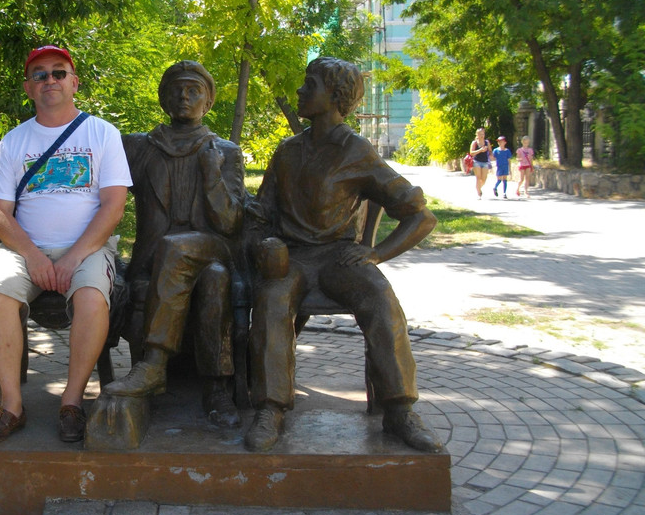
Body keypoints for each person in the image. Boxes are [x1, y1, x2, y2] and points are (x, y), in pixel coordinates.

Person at [245, 56, 442, 454]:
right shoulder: (286, 151)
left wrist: (376, 254)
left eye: (310, 84)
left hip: (339, 257)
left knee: (381, 298)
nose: (300, 90)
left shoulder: (357, 151)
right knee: (272, 298)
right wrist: (263, 243)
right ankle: (271, 409)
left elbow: (421, 217)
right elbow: (261, 214)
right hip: (293, 257)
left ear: (335, 96)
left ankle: (400, 410)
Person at [0, 45, 131, 445]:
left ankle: (72, 401)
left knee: (92, 298)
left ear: (74, 82)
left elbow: (114, 206)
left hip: (88, 247)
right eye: (40, 74)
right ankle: (11, 405)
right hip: (23, 249)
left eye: (59, 72)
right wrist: (32, 255)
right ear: (29, 88)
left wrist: (73, 257)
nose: (50, 80)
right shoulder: (13, 142)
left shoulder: (102, 133)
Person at [101, 61, 246, 426]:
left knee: (179, 248)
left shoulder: (225, 151)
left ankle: (157, 366)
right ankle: (215, 387)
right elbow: (101, 194)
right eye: (176, 89)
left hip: (213, 247)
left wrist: (212, 175)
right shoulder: (138, 147)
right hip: (159, 260)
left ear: (208, 103)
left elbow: (230, 223)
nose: (184, 96)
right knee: (213, 279)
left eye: (194, 90)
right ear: (164, 99)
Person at [469, 128, 493, 199]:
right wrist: (480, 150)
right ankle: (479, 193)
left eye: (483, 134)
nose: (482, 136)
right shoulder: (474, 143)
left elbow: (490, 151)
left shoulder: (487, 142)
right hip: (476, 162)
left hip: (485, 162)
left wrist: (491, 155)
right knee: (478, 177)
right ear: (477, 135)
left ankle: (478, 187)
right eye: (480, 134)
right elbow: (471, 153)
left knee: (484, 179)